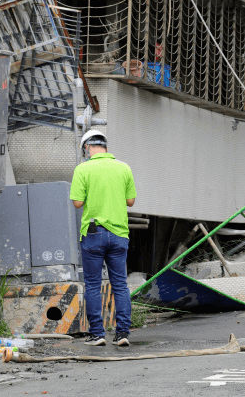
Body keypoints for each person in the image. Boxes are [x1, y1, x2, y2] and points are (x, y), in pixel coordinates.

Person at [70, 130, 137, 347]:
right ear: (105, 147)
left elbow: (77, 203)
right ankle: (122, 333)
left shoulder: (83, 169)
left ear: (87, 148)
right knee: (120, 284)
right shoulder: (124, 168)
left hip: (93, 234)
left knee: (92, 285)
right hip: (119, 234)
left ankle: (97, 334)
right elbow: (131, 201)